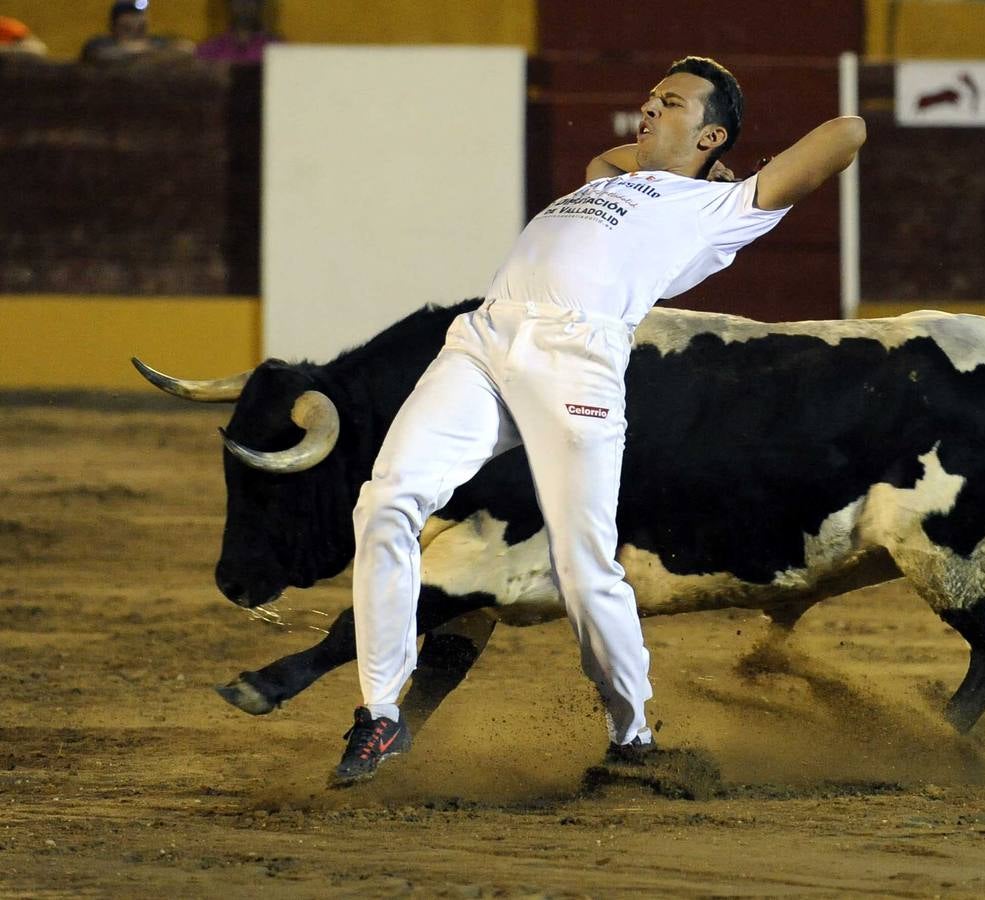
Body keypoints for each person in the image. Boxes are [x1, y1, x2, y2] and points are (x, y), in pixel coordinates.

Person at [332, 55, 866, 786]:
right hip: (483, 338)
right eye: (646, 96)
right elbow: (613, 155)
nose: (646, 108)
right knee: (386, 500)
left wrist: (724, 179)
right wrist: (669, 154)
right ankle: (380, 717)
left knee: (581, 565)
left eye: (669, 102)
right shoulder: (608, 180)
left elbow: (848, 129)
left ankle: (633, 737)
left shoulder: (723, 210)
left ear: (711, 135)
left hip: (576, 355)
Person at [80, 0, 193, 64]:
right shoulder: (100, 44)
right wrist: (143, 52)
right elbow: (98, 55)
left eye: (139, 14)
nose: (136, 19)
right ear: (115, 23)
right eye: (130, 13)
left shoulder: (156, 42)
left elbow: (186, 49)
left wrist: (139, 52)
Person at [196, 0, 280, 65]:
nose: (244, 4)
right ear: (229, 4)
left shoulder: (276, 49)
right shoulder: (209, 50)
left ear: (260, 5)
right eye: (238, 0)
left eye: (251, 0)